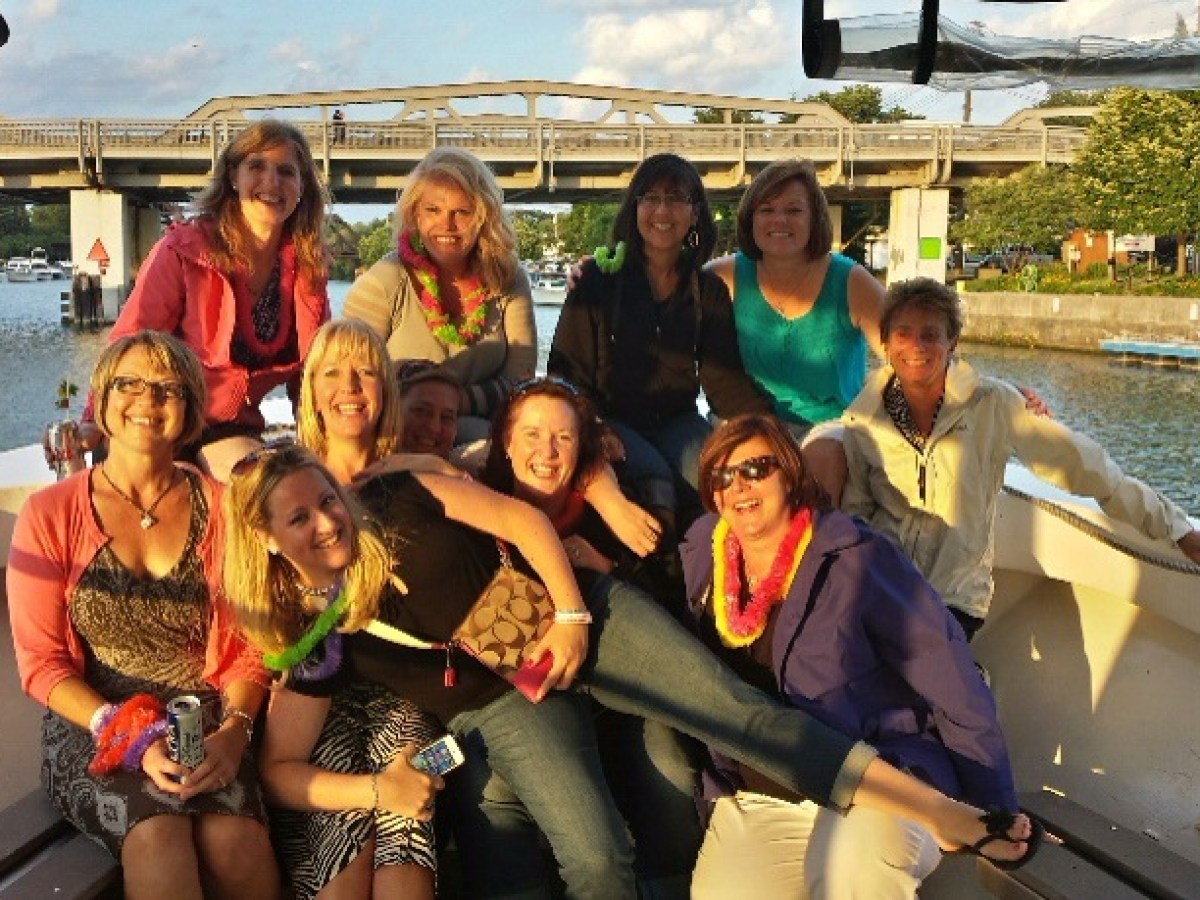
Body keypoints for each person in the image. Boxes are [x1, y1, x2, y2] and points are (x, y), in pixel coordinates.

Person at [226, 446, 1040, 897]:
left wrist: (574, 616)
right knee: (595, 855)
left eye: (326, 499)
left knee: (735, 710)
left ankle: (941, 809)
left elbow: (519, 518)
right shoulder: (310, 632)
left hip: (580, 615)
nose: (326, 520)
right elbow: (282, 769)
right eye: (298, 517)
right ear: (266, 538)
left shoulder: (398, 497)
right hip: (505, 703)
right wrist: (375, 791)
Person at [681, 413, 1025, 898]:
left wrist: (994, 808)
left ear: (790, 474)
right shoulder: (704, 552)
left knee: (853, 875)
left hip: (886, 781)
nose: (739, 485)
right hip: (766, 794)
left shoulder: (857, 557)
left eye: (756, 468)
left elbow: (952, 678)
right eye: (723, 475)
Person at [7, 331, 279, 898]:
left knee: (236, 843)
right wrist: (127, 736)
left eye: (167, 388)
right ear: (103, 401)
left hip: (200, 718)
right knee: (158, 838)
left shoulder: (225, 508)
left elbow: (250, 647)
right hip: (94, 721)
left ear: (191, 409)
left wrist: (236, 732)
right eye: (128, 384)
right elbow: (43, 664)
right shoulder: (50, 513)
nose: (146, 400)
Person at [841, 277, 1200, 639]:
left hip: (954, 597)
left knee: (918, 663)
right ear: (885, 343)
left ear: (953, 343)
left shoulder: (994, 405)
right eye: (904, 333)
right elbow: (855, 512)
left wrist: (1177, 528)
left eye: (930, 334)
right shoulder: (863, 419)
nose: (916, 346)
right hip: (885, 587)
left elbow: (1088, 468)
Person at [481, 376, 704, 895]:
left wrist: (608, 566)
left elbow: (667, 596)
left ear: (585, 447)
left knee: (670, 772)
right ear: (506, 443)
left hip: (619, 695)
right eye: (532, 435)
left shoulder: (616, 508)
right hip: (528, 702)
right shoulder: (479, 502)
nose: (547, 451)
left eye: (563, 437)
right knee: (489, 794)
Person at [77, 119, 332, 482]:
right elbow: (129, 342)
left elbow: (313, 372)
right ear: (232, 176)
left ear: (302, 187)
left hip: (227, 429)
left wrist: (325, 444)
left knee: (274, 485)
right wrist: (92, 422)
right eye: (256, 166)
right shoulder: (185, 250)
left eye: (286, 172)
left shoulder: (308, 266)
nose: (271, 183)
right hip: (156, 420)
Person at [549, 152, 772, 527]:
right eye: (650, 198)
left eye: (676, 199)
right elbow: (564, 373)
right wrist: (593, 427)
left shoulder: (708, 290)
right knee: (655, 483)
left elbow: (723, 382)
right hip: (609, 417)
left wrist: (770, 431)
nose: (662, 212)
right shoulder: (599, 281)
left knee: (724, 477)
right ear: (634, 209)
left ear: (695, 212)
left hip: (676, 421)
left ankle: (723, 573)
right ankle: (662, 581)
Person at [343, 147, 537, 446]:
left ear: (484, 217)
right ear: (414, 214)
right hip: (397, 431)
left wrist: (460, 402)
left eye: (462, 212)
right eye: (433, 210)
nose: (447, 225)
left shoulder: (508, 279)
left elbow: (520, 379)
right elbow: (349, 377)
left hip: (485, 431)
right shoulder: (384, 280)